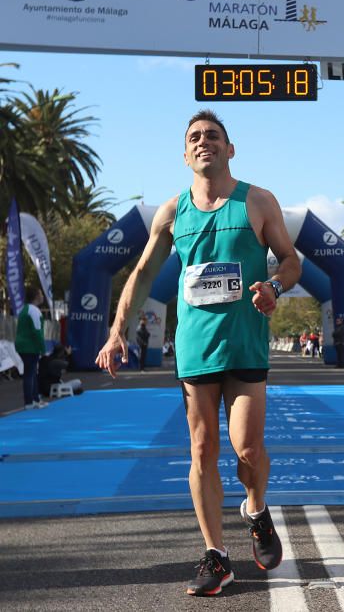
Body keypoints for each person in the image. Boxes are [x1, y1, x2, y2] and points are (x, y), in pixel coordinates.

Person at [95, 110, 302, 597]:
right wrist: (116, 330)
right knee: (203, 449)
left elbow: (290, 260)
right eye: (194, 138)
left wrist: (273, 285)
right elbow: (144, 273)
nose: (203, 141)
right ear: (185, 155)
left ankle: (255, 508)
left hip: (246, 342)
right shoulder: (172, 212)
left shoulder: (257, 201)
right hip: (195, 350)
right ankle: (217, 555)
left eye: (213, 135)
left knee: (248, 448)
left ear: (230, 150)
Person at [15, 286, 47, 410]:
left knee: (32, 372)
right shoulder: (33, 310)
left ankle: (35, 400)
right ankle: (29, 402)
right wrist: (42, 349)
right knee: (30, 374)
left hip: (24, 345)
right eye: (40, 294)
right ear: (36, 296)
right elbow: (37, 331)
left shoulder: (26, 309)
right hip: (29, 346)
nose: (42, 296)